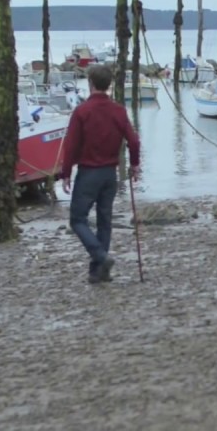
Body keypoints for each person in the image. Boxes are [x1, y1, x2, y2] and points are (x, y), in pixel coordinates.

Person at [59, 64, 141, 284]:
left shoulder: (82, 111)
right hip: (109, 173)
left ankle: (100, 256)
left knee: (77, 219)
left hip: (88, 172)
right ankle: (98, 272)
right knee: (105, 220)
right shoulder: (118, 110)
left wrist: (66, 173)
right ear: (109, 85)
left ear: (90, 83)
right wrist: (134, 164)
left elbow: (71, 145)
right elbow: (133, 140)